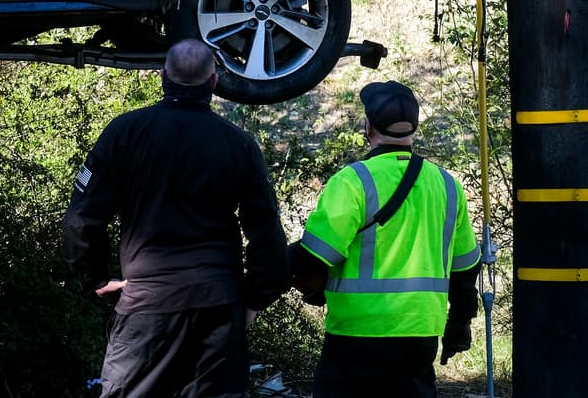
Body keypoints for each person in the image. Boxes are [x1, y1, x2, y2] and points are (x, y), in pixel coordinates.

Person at [62, 38, 290, 398]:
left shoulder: (125, 133)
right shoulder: (239, 144)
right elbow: (267, 236)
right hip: (218, 309)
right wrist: (255, 299)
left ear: (162, 77)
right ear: (213, 83)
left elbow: (81, 218)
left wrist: (94, 277)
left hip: (146, 306)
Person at [291, 80, 482, 398]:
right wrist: (460, 323)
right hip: (420, 334)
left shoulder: (353, 181)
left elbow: (316, 255)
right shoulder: (448, 185)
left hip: (356, 334)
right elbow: (465, 268)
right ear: (414, 128)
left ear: (368, 126)